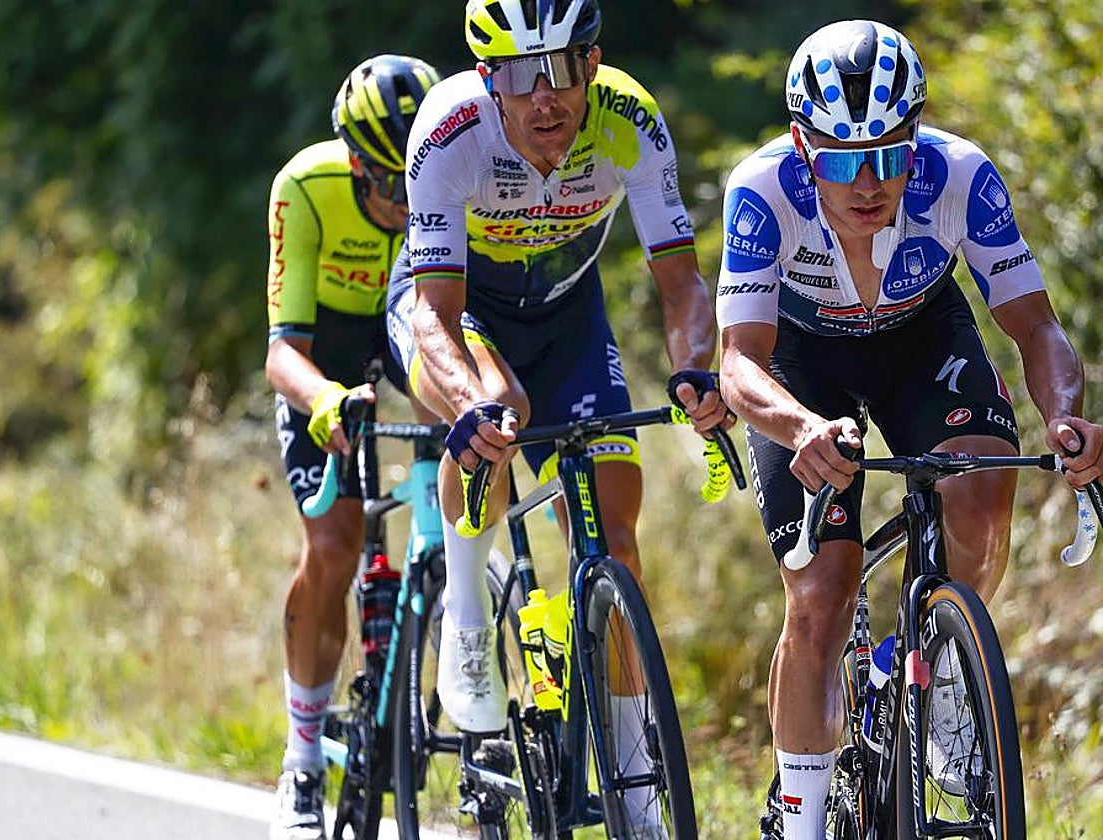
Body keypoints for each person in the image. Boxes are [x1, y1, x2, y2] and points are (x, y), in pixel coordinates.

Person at [714, 19, 1103, 840]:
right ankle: (802, 812)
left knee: (983, 488)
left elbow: (1037, 329)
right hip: (801, 360)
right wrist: (800, 427)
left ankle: (943, 670)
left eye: (889, 155)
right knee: (820, 592)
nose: (869, 183)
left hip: (919, 340)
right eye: (845, 161)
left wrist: (1066, 414)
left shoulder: (960, 175)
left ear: (915, 139)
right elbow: (738, 363)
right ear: (801, 145)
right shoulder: (761, 188)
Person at [385, 0, 728, 831]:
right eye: (517, 76)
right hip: (456, 312)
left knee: (614, 536)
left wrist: (693, 369)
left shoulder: (630, 121)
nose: (545, 98)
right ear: (485, 81)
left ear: (595, 64)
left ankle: (633, 776)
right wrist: (469, 404)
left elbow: (682, 283)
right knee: (502, 411)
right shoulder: (448, 132)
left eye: (565, 71)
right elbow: (435, 310)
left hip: (570, 317)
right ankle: (467, 620)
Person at [263, 53, 441, 840]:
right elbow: (280, 353)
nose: (408, 204)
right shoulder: (306, 186)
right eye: (391, 186)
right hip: (324, 354)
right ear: (358, 164)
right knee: (334, 546)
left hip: (409, 324)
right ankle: (302, 763)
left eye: (419, 184)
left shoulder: (448, 171)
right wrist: (327, 400)